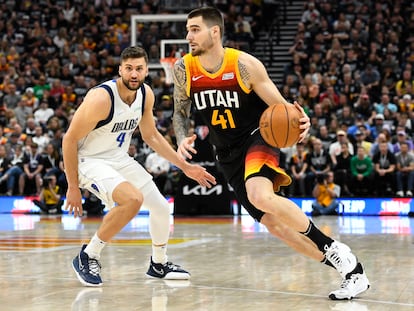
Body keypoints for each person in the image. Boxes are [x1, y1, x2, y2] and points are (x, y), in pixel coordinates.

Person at [172, 7, 369, 300]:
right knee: (276, 227)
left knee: (260, 195)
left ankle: (332, 248)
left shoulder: (244, 65)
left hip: (258, 137)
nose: (188, 36)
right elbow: (180, 112)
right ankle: (352, 271)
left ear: (215, 31)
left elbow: (282, 109)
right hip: (226, 153)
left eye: (195, 29)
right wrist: (180, 139)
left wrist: (302, 120)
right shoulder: (184, 68)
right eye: (187, 30)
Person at [62, 46, 216, 287]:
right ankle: (88, 255)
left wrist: (185, 166)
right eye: (129, 69)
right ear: (120, 70)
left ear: (146, 71)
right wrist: (73, 186)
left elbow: (151, 136)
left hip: (117, 158)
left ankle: (159, 263)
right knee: (132, 200)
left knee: (161, 208)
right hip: (88, 160)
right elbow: (69, 139)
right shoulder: (102, 98)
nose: (134, 74)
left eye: (139, 69)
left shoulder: (146, 94)